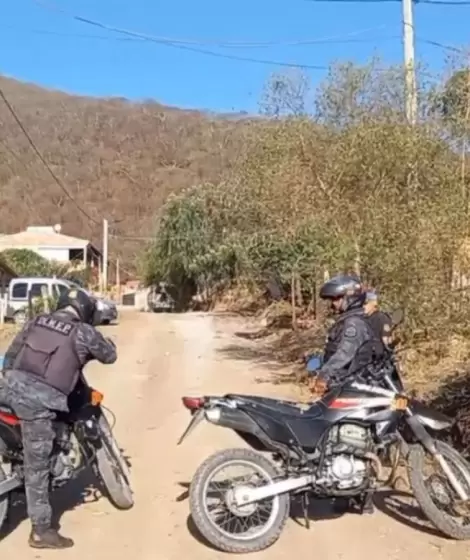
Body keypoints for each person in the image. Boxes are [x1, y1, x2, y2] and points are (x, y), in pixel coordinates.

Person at [0, 287, 117, 549]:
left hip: (7, 390)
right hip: (38, 403)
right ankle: (41, 531)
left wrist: (13, 382)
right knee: (37, 466)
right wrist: (108, 343)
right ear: (85, 312)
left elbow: (10, 356)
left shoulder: (37, 320)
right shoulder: (83, 332)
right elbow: (109, 356)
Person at [309, 274, 386, 514]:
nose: (333, 303)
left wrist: (323, 375)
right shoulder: (348, 320)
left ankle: (363, 497)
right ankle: (344, 490)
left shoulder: (354, 324)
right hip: (345, 385)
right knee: (339, 439)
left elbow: (344, 355)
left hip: (356, 387)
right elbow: (335, 352)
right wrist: (317, 365)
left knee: (356, 440)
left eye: (336, 298)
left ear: (349, 298)